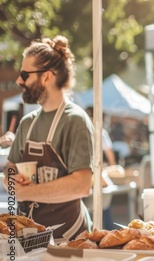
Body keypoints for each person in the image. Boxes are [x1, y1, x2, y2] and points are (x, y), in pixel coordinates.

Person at [4, 35, 93, 242]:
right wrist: (12, 180)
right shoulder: (27, 122)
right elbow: (11, 168)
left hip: (69, 240)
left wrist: (28, 192)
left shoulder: (75, 120)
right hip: (27, 240)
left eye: (25, 74)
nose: (19, 80)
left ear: (46, 77)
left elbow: (81, 185)